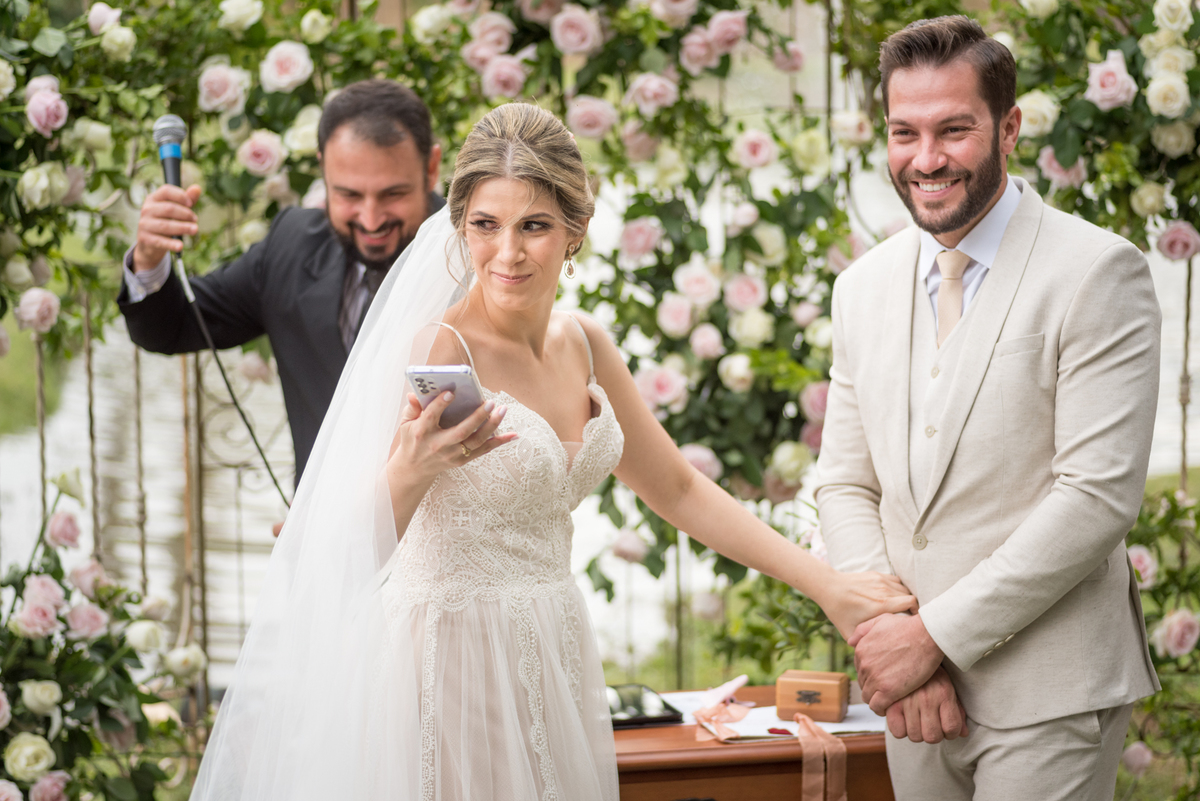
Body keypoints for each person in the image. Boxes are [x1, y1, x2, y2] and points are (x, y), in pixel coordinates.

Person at [187, 103, 915, 800]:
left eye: (533, 225)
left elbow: (679, 490)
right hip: (447, 662)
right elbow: (345, 556)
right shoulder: (439, 350)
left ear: (576, 229)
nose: (507, 253)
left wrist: (828, 585)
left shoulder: (584, 342)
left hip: (552, 648)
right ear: (459, 225)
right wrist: (413, 467)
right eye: (485, 225)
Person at [814, 15, 1161, 801]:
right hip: (915, 702)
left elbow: (1097, 495)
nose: (925, 158)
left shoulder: (1098, 271)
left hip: (1050, 695)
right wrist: (892, 638)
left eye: (953, 130)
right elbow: (844, 482)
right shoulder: (860, 287)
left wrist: (932, 637)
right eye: (904, 132)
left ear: (1008, 129)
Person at [118, 79, 443, 482]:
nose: (371, 219)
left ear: (431, 168)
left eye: (393, 194)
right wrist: (149, 258)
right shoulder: (291, 244)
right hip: (322, 524)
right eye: (349, 195)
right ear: (324, 167)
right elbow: (174, 327)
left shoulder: (486, 259)